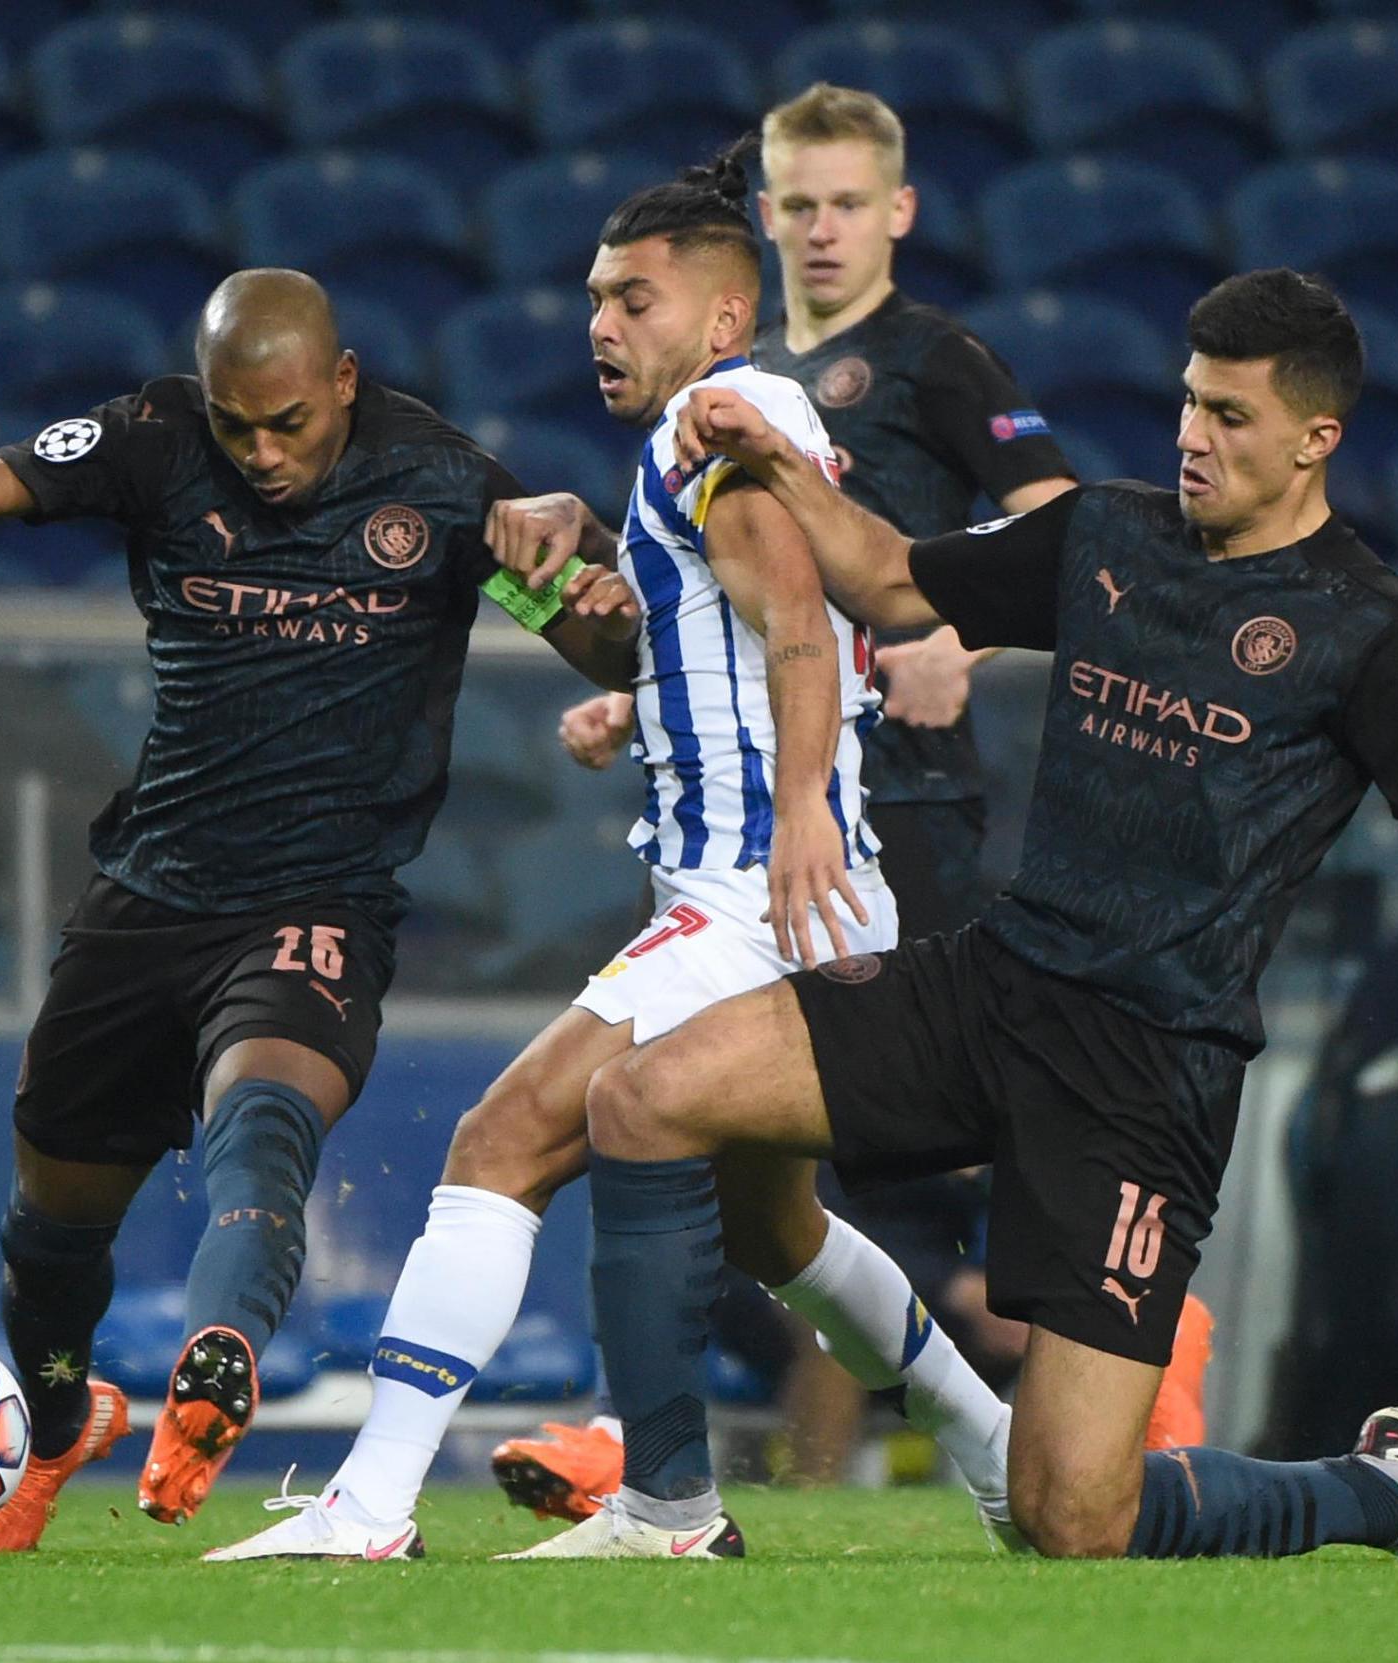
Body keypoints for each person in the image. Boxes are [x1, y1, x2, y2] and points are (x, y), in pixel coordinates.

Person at [509, 267, 1398, 1562]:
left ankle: (1383, 1493)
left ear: (1317, 438)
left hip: (1144, 1073)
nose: (1192, 437)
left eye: (1231, 417)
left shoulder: (1374, 636)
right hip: (992, 981)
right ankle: (666, 1509)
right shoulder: (1105, 534)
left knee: (1071, 1516)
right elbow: (884, 576)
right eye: (1189, 404)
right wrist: (778, 462)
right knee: (643, 1100)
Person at [203, 152, 1020, 1566]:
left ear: (717, 318)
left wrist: (810, 799)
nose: (599, 323)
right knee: (777, 1229)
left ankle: (373, 1500)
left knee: (497, 1140)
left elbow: (793, 627)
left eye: (631, 298)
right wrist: (622, 689)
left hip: (755, 894)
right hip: (782, 886)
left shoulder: (719, 426)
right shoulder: (704, 441)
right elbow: (731, 641)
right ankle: (996, 1452)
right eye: (591, 296)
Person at [0, 269, 641, 1550]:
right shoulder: (157, 442)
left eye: (289, 420)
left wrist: (589, 583)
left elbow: (615, 648)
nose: (265, 451)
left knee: (265, 1118)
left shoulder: (449, 491)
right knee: (52, 1232)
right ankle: (62, 1427)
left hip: (322, 897)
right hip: (150, 895)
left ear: (344, 382)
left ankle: (213, 1364)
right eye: (241, 425)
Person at [508, 83, 1218, 1512]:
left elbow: (1065, 535)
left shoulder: (936, 362)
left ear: (896, 212)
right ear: (762, 222)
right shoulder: (724, 387)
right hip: (770, 811)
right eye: (797, 205)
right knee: (767, 1181)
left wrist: (956, 633)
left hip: (901, 812)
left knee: (917, 1152)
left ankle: (1146, 1384)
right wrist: (643, 695)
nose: (821, 231)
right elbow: (734, 608)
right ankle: (789, 1461)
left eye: (847, 204)